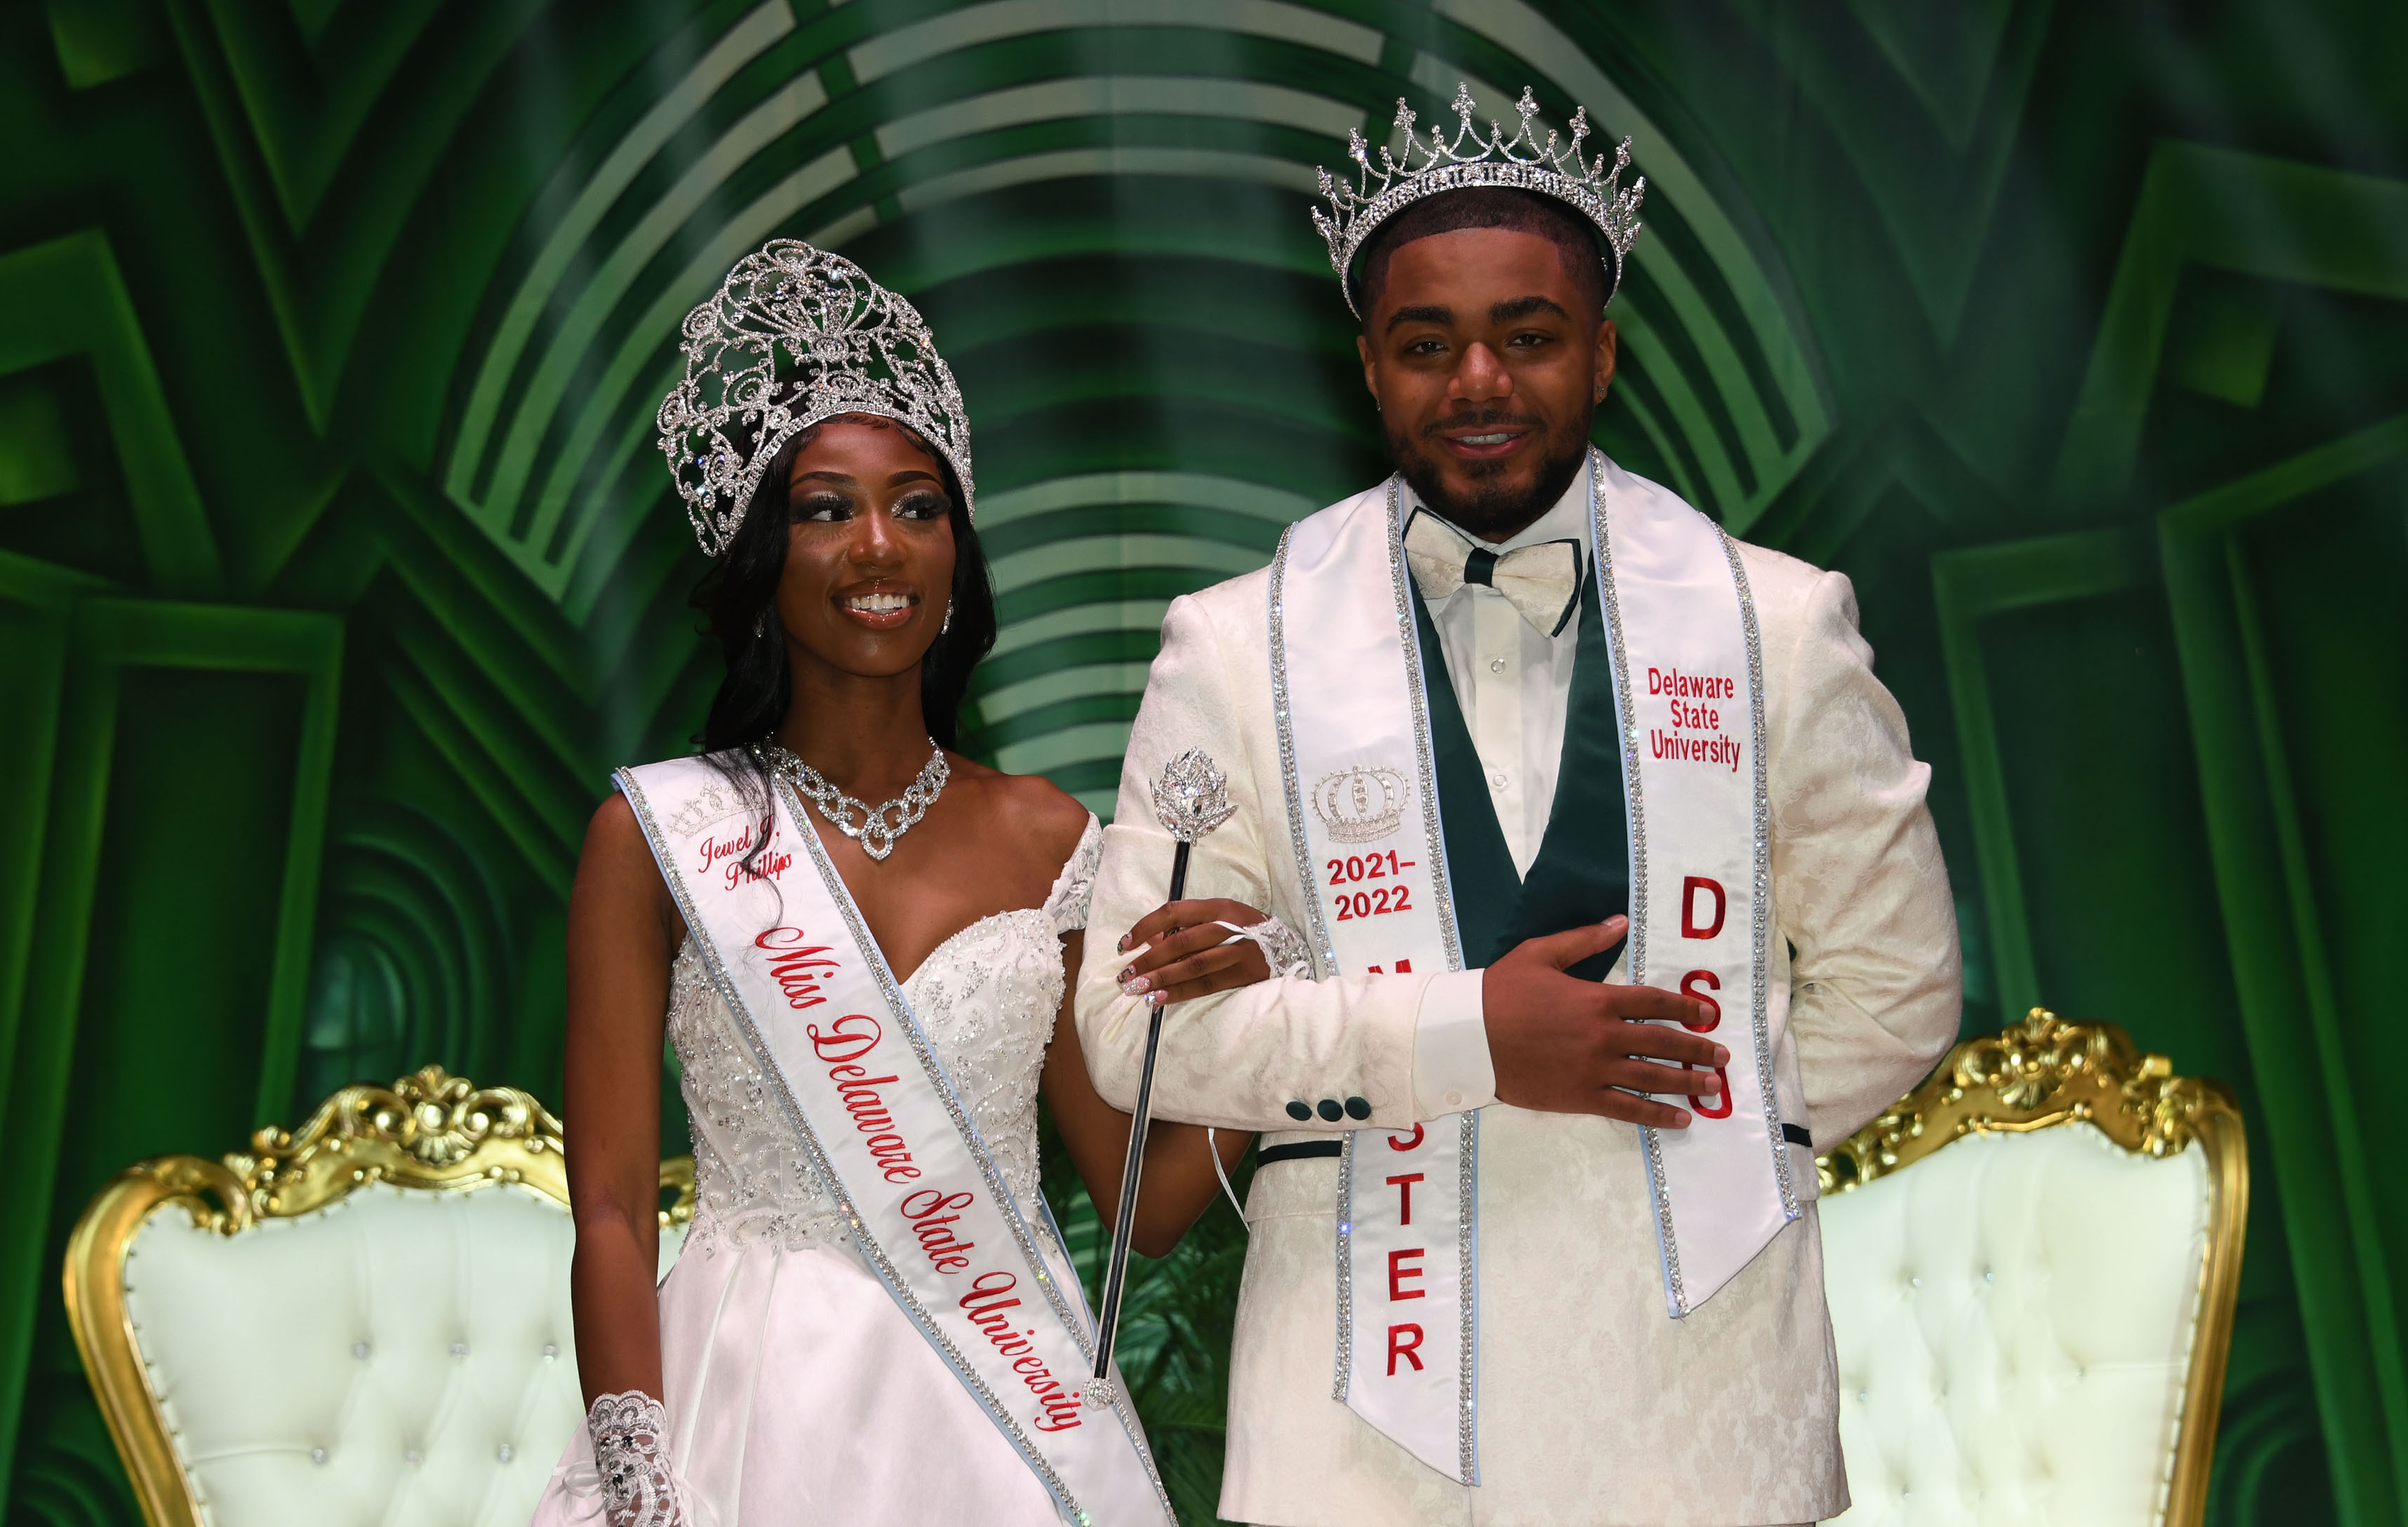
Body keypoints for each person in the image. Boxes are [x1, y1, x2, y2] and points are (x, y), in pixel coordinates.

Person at [1075, 88, 1962, 1526]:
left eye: (1529, 336)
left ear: (1601, 352)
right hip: (1355, 1425)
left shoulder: (1780, 628)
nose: (1478, 379)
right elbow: (1139, 1034)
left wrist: (1674, 1140)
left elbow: (1899, 989)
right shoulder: (1238, 649)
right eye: (1428, 345)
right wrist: (1466, 1042)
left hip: (1697, 1405)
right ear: (1370, 369)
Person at [538, 240, 1285, 1527]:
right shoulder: (657, 831)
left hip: (1009, 1417)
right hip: (744, 1401)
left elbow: (1144, 1202)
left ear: (957, 552)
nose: (878, 544)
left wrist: (1277, 1003)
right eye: (826, 508)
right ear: (763, 553)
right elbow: (607, 1206)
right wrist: (639, 1473)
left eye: (918, 506)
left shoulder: (1050, 835)